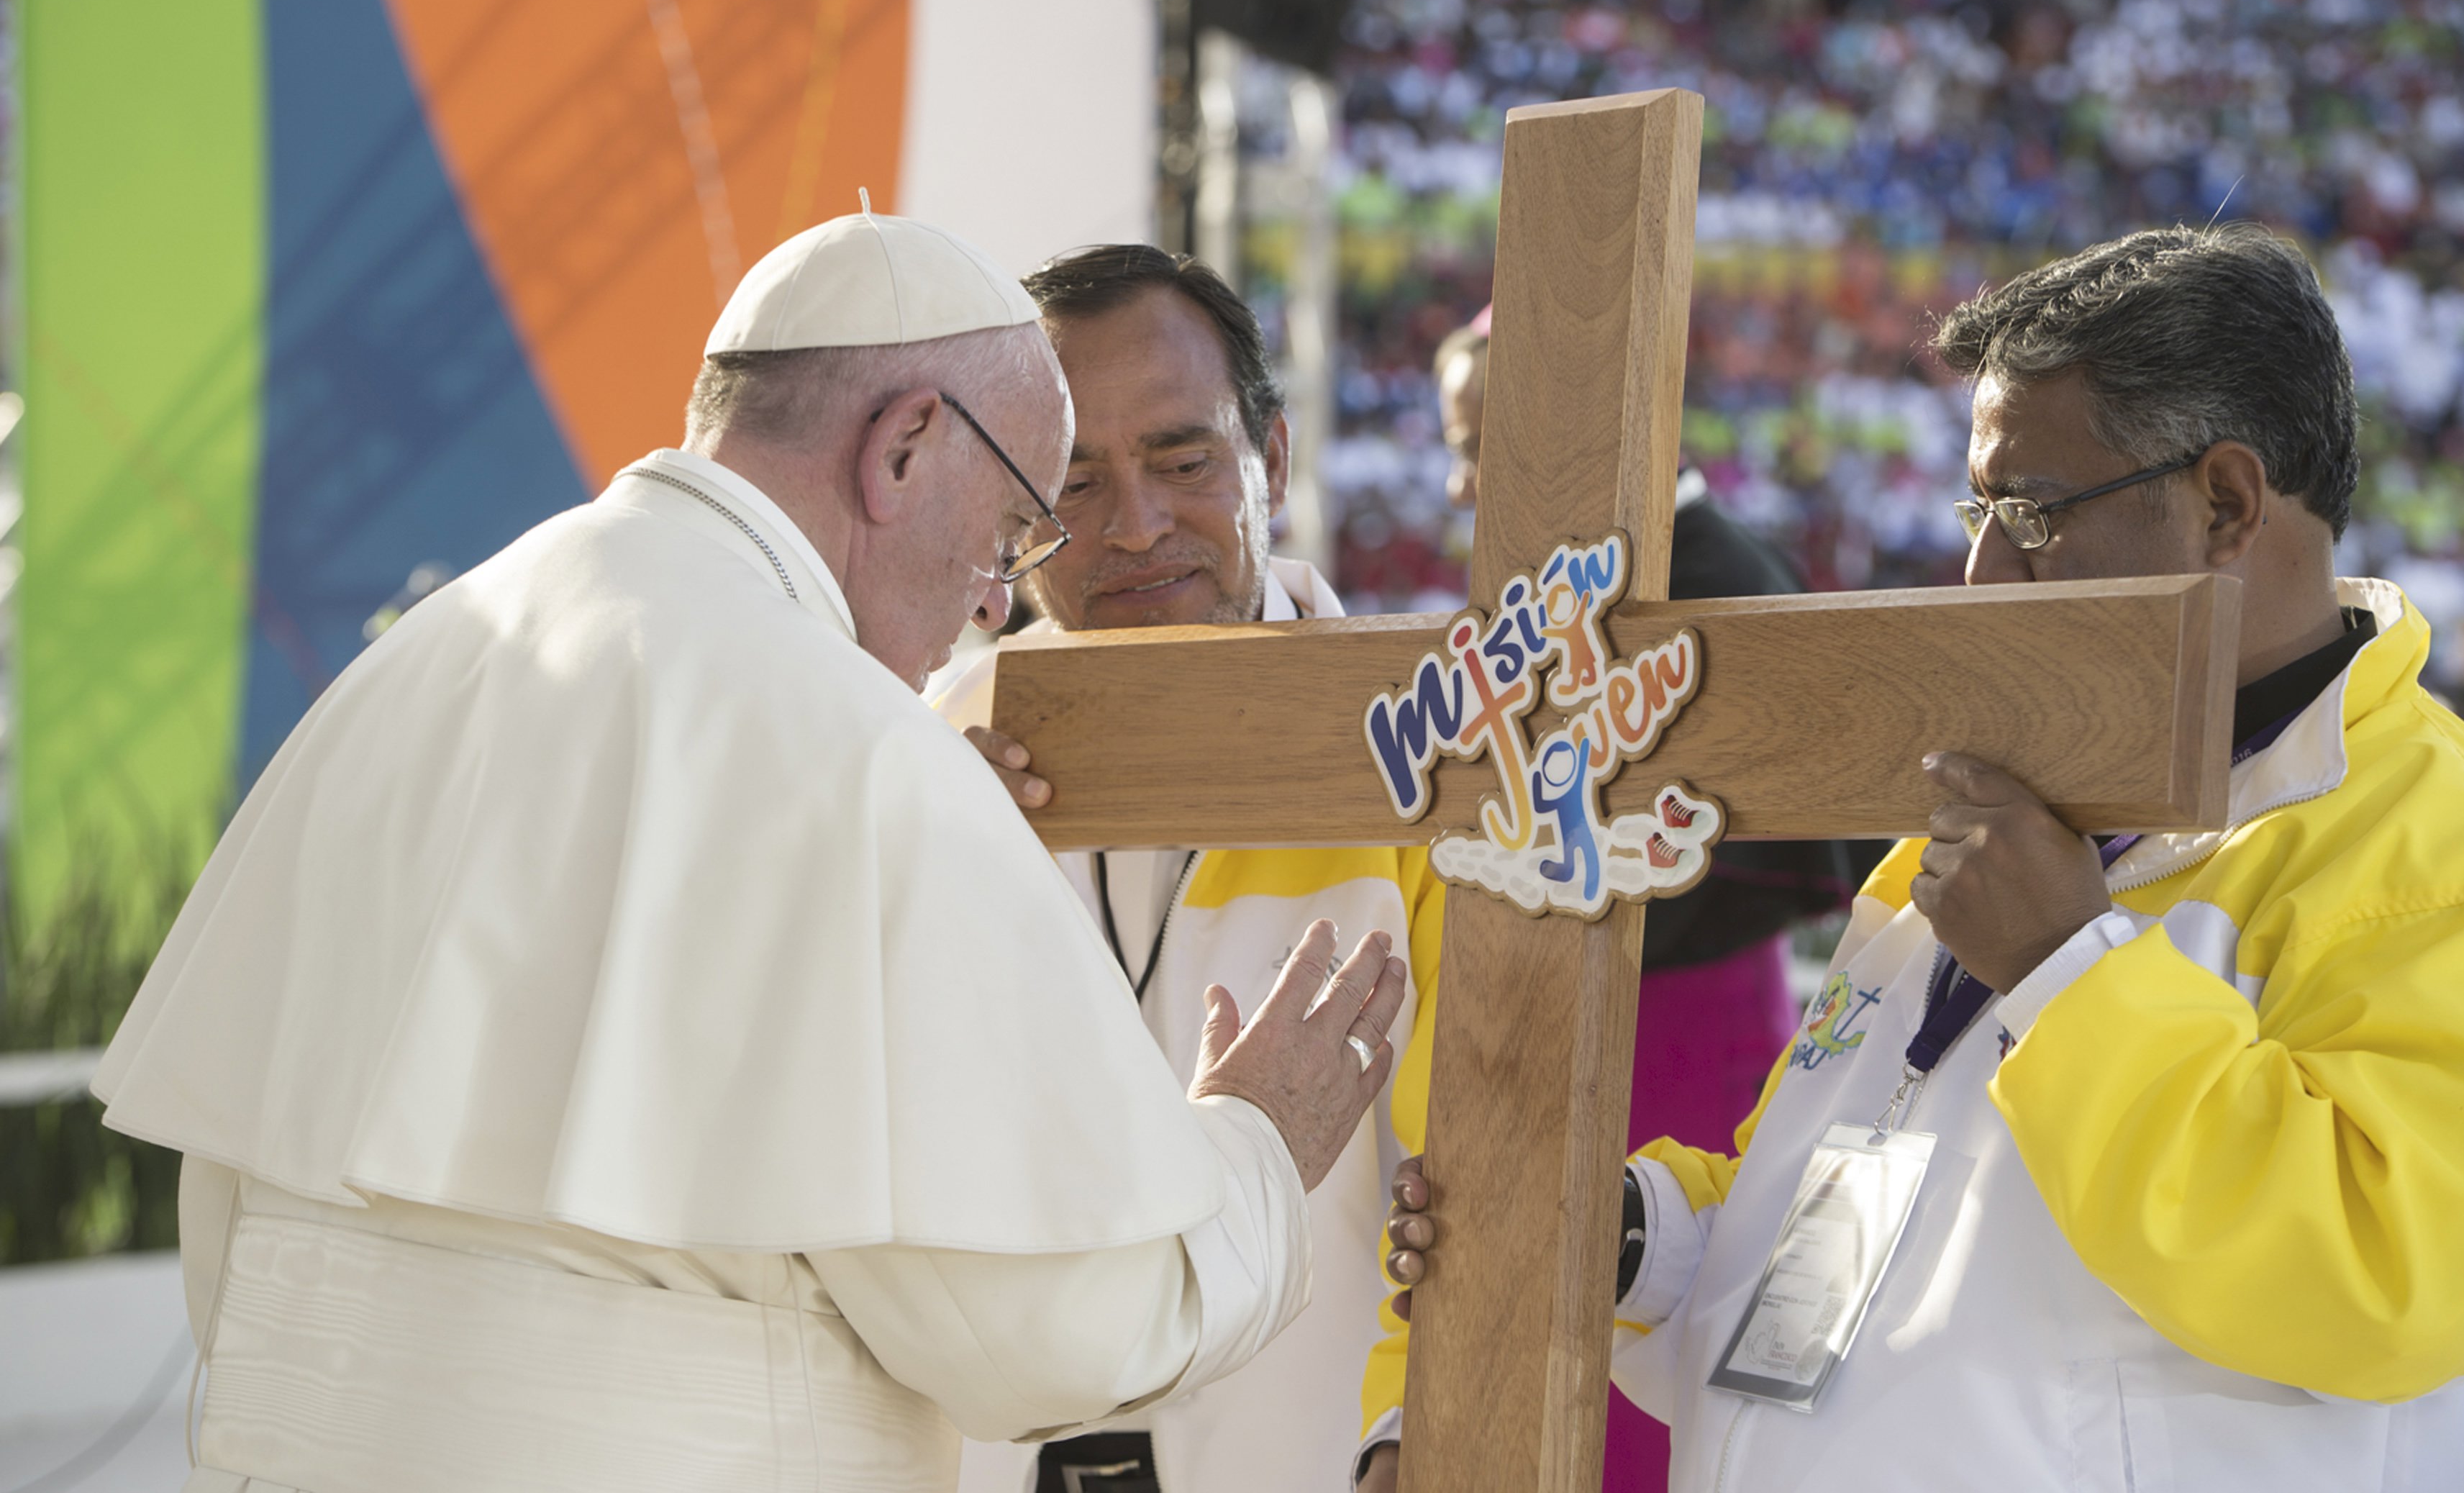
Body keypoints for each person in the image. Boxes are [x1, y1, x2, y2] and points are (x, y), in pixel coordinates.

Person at [90, 209, 1411, 1493]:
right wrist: (1250, 1141)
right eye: (1018, 520)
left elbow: (238, 1215)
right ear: (902, 450)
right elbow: (1046, 1339)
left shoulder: (426, 657)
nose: (996, 596)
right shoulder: (864, 753)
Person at [1375, 225, 2464, 1490]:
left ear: (2227, 505)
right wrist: (1627, 1239)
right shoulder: (2006, 805)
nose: (1982, 570)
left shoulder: (2443, 843)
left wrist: (2065, 966)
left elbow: (2396, 1280)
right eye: (1980, 509)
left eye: (2030, 512)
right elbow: (1846, 1209)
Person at [936, 244, 1446, 1493]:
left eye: (1182, 461)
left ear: (1271, 462)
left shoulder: (1429, 753)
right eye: (1073, 483)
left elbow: (1472, 1194)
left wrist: (1409, 1447)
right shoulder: (937, 749)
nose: (1137, 526)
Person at [1402, 314, 1872, 1489]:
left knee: (1645, 1365)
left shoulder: (1713, 578)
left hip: (1682, 1021)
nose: (1464, 482)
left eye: (1482, 444)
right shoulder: (1578, 581)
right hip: (1605, 1006)